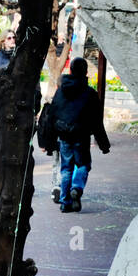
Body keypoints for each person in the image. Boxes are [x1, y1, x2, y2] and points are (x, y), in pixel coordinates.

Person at [48, 58, 111, 212]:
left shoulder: (60, 91)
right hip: (82, 137)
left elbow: (52, 115)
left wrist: (49, 142)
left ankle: (65, 202)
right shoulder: (90, 94)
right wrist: (104, 144)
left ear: (70, 71)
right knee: (83, 165)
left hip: (64, 136)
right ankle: (77, 187)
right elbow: (97, 122)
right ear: (86, 72)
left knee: (66, 169)